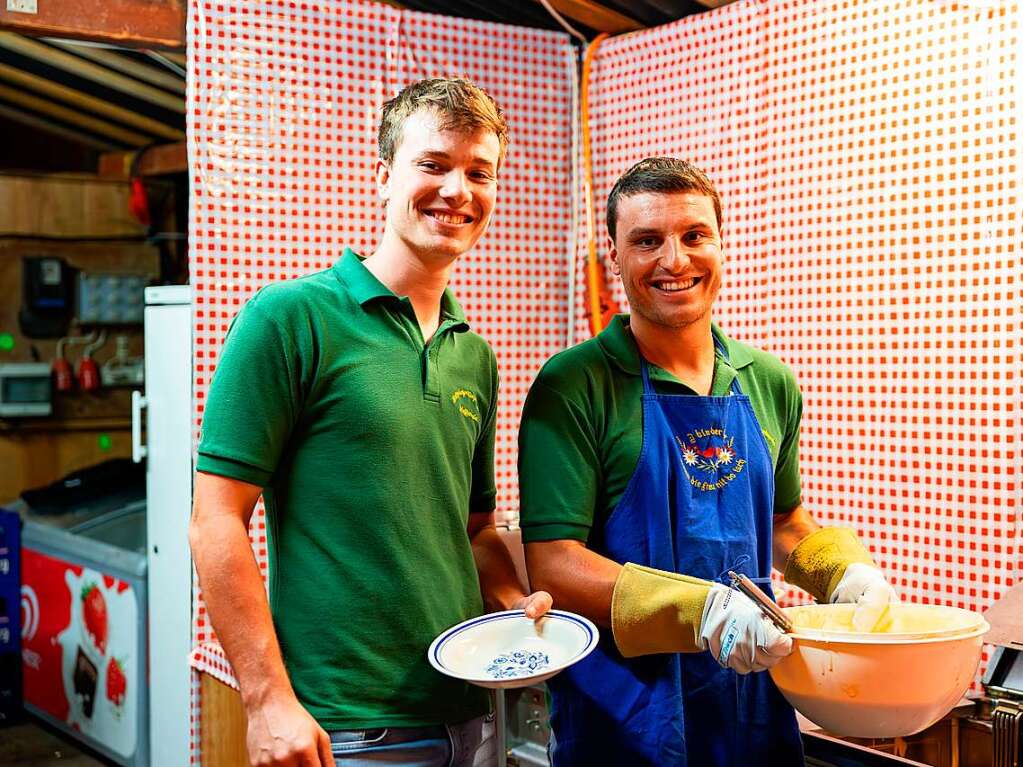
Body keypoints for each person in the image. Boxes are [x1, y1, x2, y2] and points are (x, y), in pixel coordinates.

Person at [190, 78, 551, 767]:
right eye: (433, 164)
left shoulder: (472, 353)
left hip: (468, 710)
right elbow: (215, 519)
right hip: (345, 727)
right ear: (384, 177)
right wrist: (267, 700)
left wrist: (512, 601)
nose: (458, 189)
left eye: (480, 172)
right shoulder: (289, 317)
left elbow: (471, 530)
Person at [517, 157, 897, 766]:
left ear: (721, 243)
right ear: (614, 255)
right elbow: (554, 564)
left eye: (694, 236)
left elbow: (782, 521)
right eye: (647, 241)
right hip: (627, 719)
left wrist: (844, 573)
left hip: (751, 704)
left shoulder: (767, 381)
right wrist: (705, 613)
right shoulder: (573, 385)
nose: (675, 261)